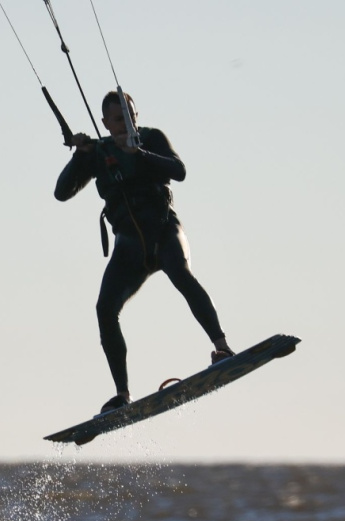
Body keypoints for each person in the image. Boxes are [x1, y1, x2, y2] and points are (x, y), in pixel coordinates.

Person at [55, 90, 235, 415]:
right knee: (105, 309)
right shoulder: (98, 152)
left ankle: (222, 349)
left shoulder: (150, 138)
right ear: (105, 123)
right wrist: (80, 156)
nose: (126, 124)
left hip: (164, 231)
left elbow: (179, 171)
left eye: (130, 117)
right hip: (129, 247)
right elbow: (61, 193)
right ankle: (122, 394)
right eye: (118, 120)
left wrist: (139, 153)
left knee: (181, 274)